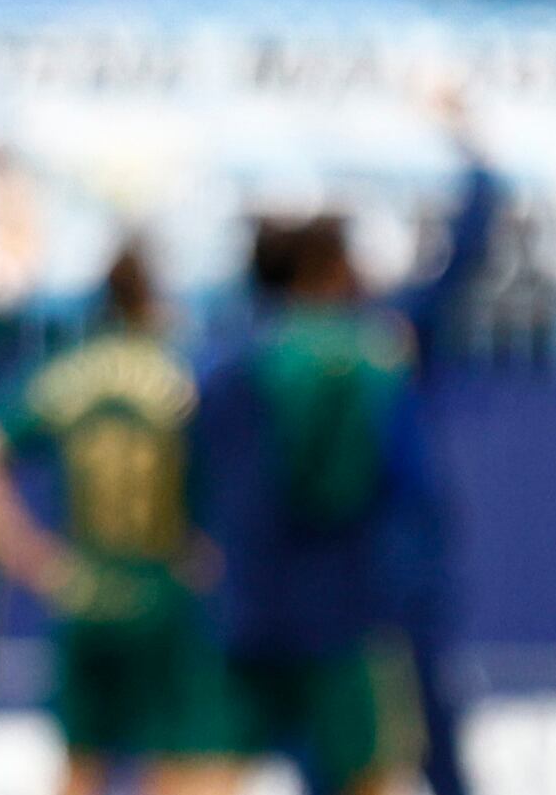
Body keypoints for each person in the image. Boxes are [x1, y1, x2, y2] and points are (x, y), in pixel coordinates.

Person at [0, 249, 241, 795]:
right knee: (183, 766)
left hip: (88, 596)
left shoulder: (67, 376)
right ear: (153, 301)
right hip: (165, 596)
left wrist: (31, 558)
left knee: (80, 769)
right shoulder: (186, 372)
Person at [200, 217, 430, 795]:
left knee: (204, 772)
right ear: (327, 269)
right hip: (348, 606)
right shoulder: (376, 360)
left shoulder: (228, 363)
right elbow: (402, 480)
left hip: (247, 608)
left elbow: (202, 482)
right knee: (369, 775)